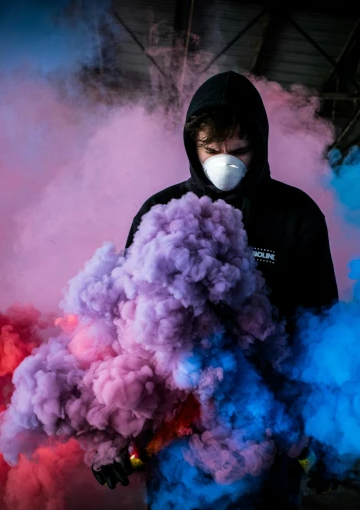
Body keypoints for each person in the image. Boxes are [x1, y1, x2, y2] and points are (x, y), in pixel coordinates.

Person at [92, 71, 340, 508]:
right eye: (211, 150)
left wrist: (326, 436)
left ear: (259, 145)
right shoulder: (160, 211)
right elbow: (123, 326)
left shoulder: (297, 215)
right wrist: (110, 432)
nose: (227, 162)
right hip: (178, 437)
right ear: (192, 148)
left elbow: (324, 328)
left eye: (240, 150)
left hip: (267, 434)